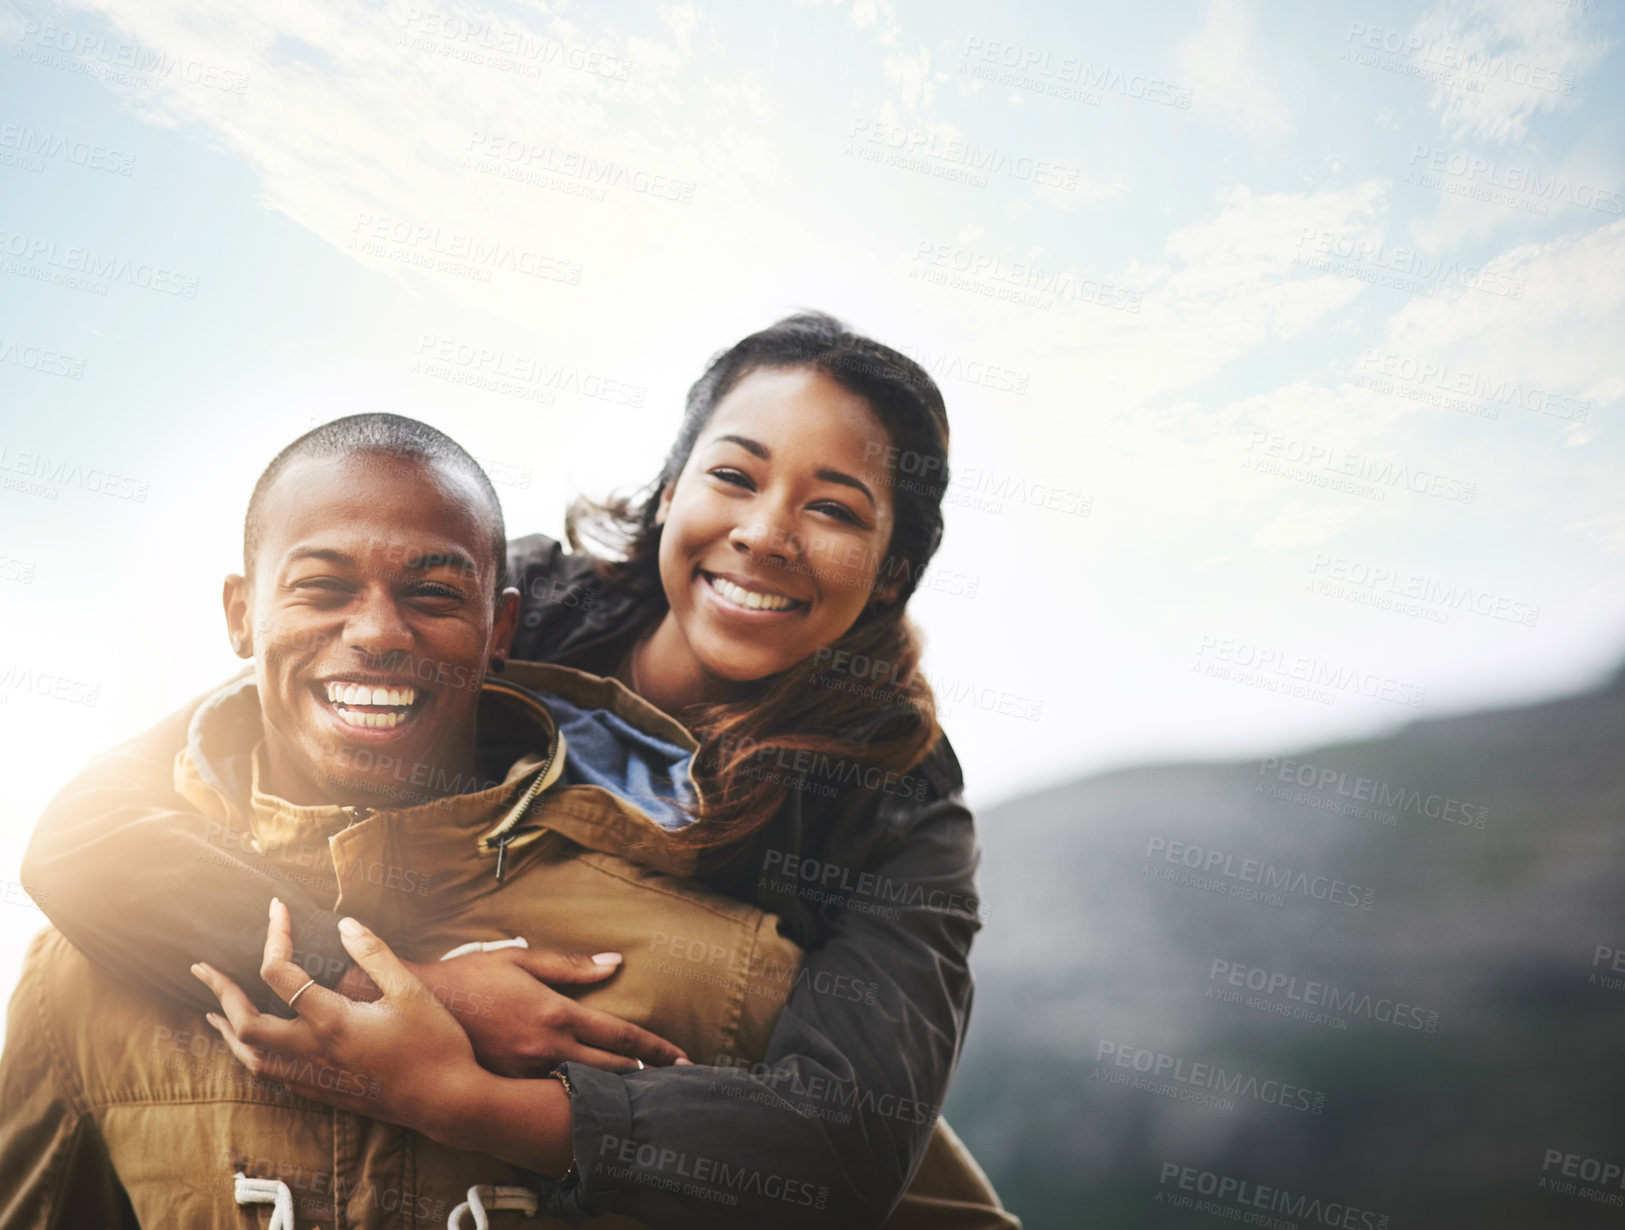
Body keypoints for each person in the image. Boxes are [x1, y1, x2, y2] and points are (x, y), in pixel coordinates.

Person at [13, 314, 1014, 1227]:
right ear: (671, 493)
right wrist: (408, 990)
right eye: (734, 477)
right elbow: (94, 838)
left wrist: (464, 1100)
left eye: (834, 510)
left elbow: (844, 1143)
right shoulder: (496, 599)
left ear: (892, 571)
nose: (764, 534)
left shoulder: (901, 797)